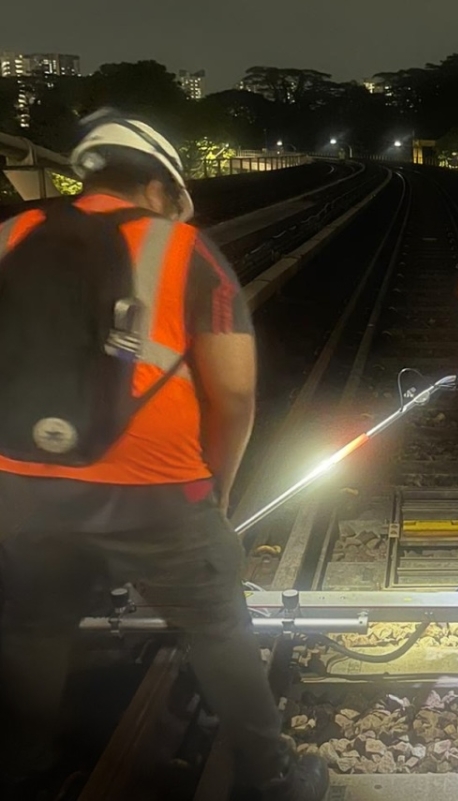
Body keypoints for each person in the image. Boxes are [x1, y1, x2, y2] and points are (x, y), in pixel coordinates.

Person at [0, 110, 328, 801]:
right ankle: (272, 778)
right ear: (158, 187)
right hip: (154, 484)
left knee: (31, 625)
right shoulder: (183, 248)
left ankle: (23, 767)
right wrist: (217, 486)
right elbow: (234, 391)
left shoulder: (12, 233)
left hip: (21, 480)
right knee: (217, 623)